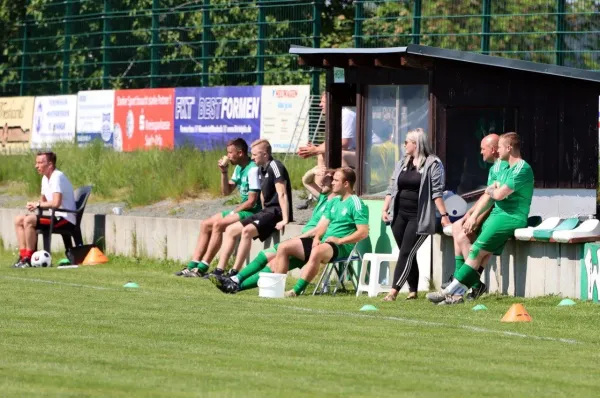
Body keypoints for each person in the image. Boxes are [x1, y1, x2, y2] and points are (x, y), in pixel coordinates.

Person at [427, 132, 534, 305]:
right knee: (480, 254)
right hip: (499, 214)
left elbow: (497, 195)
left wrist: (492, 191)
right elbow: (490, 193)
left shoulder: (522, 168)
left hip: (511, 216)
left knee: (476, 251)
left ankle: (448, 291)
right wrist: (473, 213)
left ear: (508, 148)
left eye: (499, 147)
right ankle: (457, 295)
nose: (497, 151)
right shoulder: (504, 167)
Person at [210, 167, 338, 293]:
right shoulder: (324, 197)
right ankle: (235, 279)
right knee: (264, 255)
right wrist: (313, 171)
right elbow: (306, 181)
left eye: (326, 180)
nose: (322, 182)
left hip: (312, 241)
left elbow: (320, 229)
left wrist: (300, 237)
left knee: (273, 264)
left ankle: (236, 285)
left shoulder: (336, 204)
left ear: (334, 183)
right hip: (304, 239)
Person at [271, 167, 369, 297]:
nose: (332, 183)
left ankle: (295, 291)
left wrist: (340, 240)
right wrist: (317, 237)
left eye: (335, 180)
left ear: (346, 184)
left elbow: (363, 232)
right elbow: (322, 225)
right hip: (325, 242)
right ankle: (277, 291)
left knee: (317, 251)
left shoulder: (356, 203)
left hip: (341, 246)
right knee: (284, 247)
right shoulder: (334, 201)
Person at [380, 128, 451, 301]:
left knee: (406, 253)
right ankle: (413, 289)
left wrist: (443, 215)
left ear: (416, 144)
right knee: (407, 252)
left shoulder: (432, 163)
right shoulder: (403, 162)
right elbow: (392, 187)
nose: (404, 145)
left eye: (407, 142)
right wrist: (385, 208)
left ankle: (393, 291)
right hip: (399, 215)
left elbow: (437, 192)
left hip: (419, 217)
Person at [207, 139, 293, 278]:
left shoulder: (275, 166)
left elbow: (282, 194)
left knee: (246, 231)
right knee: (230, 229)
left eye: (254, 155)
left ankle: (235, 272)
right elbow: (263, 197)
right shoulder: (260, 169)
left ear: (265, 154)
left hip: (275, 213)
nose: (252, 158)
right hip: (266, 212)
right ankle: (219, 271)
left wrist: (285, 219)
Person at [175, 138, 261, 277]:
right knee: (206, 224)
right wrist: (224, 172)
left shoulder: (253, 169)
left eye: (230, 153)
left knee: (219, 225)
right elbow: (226, 192)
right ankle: (192, 265)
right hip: (243, 209)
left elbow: (252, 202)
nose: (227, 156)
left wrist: (233, 212)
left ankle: (202, 268)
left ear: (240, 153)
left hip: (252, 211)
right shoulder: (239, 168)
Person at [446, 134, 509, 300]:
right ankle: (464, 280)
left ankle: (469, 283)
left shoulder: (503, 167)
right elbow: (486, 195)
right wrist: (470, 213)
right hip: (491, 210)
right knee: (457, 226)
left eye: (483, 149)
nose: (481, 152)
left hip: (500, 215)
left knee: (463, 235)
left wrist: (477, 218)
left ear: (493, 149)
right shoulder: (494, 168)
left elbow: (496, 200)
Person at [13, 151, 76, 268]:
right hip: (54, 217)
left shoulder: (57, 177)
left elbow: (56, 203)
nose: (36, 166)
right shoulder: (44, 179)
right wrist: (35, 204)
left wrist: (37, 204)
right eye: (36, 163)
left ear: (50, 164)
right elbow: (43, 202)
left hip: (65, 219)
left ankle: (29, 258)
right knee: (19, 220)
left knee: (29, 220)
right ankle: (22, 256)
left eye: (40, 163)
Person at [296, 93, 356, 209]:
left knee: (339, 155)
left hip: (365, 153)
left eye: (323, 102)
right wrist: (314, 150)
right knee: (322, 154)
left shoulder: (346, 114)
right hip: (350, 151)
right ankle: (323, 194)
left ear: (331, 102)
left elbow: (344, 143)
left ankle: (341, 194)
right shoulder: (333, 116)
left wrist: (316, 149)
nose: (320, 105)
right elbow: (330, 142)